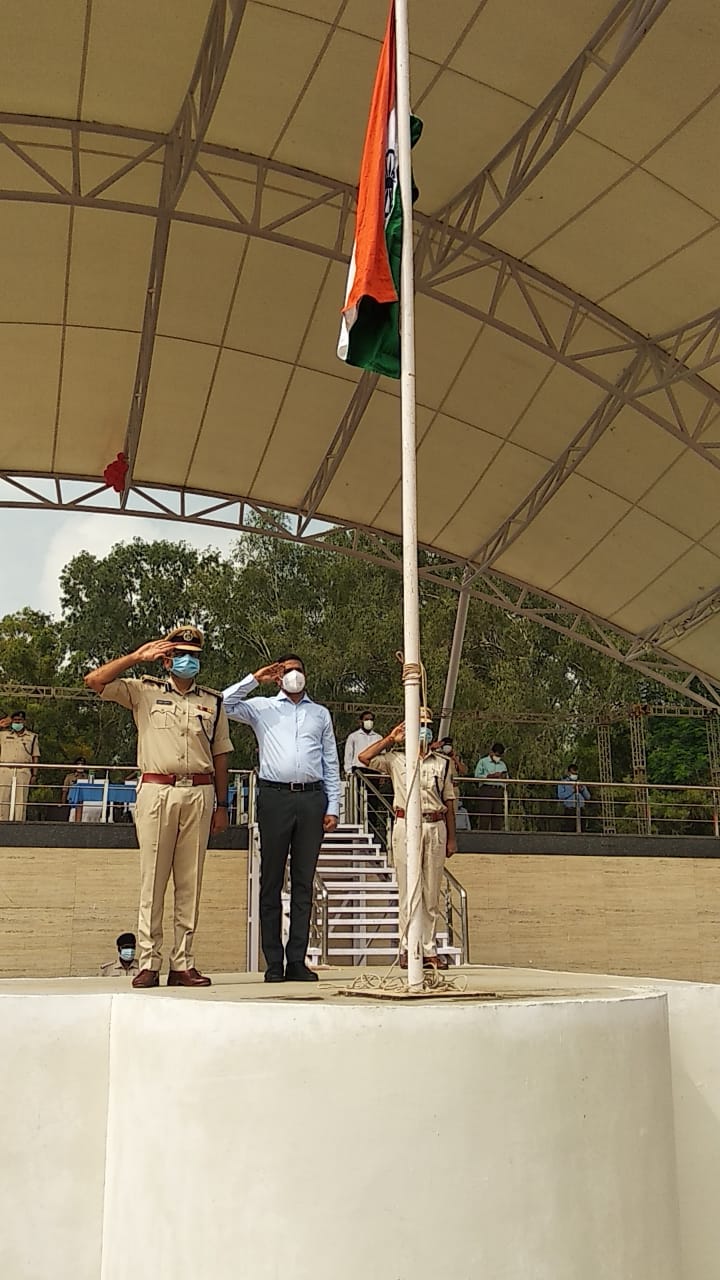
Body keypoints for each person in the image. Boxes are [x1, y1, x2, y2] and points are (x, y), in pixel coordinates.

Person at [84, 626, 233, 989]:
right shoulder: (143, 690)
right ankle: (148, 961)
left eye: (195, 656)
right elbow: (95, 680)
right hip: (156, 790)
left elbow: (221, 753)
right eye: (182, 654)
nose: (189, 661)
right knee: (152, 878)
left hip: (199, 792)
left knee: (190, 880)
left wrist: (222, 803)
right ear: (166, 658)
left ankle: (183, 962)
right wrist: (136, 657)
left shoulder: (212, 701)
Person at [223, 656, 340, 983]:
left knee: (304, 882)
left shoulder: (320, 713)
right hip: (275, 797)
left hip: (312, 797)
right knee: (271, 881)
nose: (293, 675)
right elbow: (223, 704)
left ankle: (297, 960)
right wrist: (254, 678)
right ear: (278, 677)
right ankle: (273, 961)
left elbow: (331, 761)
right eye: (287, 670)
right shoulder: (262, 707)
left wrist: (333, 807)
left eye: (298, 669)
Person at [358, 716, 457, 970]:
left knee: (431, 892)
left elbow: (449, 802)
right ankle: (406, 946)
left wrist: (452, 838)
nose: (423, 729)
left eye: (427, 724)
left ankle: (428, 947)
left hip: (434, 825)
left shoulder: (443, 764)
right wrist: (390, 739)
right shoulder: (396, 758)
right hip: (405, 823)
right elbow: (364, 758)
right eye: (419, 723)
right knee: (407, 889)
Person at [0, 711, 40, 821]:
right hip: (5, 770)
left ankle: (19, 824)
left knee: (20, 800)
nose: (17, 722)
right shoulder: (3, 735)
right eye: (15, 720)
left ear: (24, 721)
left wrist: (34, 774)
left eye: (20, 720)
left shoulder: (32, 737)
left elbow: (35, 756)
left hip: (23, 770)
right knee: (3, 799)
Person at [473, 742, 509, 831]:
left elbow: (507, 780)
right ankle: (483, 835)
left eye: (499, 755)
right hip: (486, 788)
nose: (498, 757)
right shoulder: (483, 762)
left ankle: (496, 836)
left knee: (497, 816)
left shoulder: (502, 764)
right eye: (496, 755)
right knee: (485, 814)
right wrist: (490, 776)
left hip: (498, 790)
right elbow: (477, 776)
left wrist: (503, 777)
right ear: (491, 753)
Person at [557, 765, 591, 832]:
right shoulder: (563, 782)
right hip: (570, 810)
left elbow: (588, 797)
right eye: (573, 773)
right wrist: (573, 790)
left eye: (576, 774)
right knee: (569, 829)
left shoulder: (580, 783)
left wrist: (582, 789)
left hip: (581, 809)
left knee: (582, 829)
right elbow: (561, 796)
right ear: (569, 773)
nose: (575, 775)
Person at [61, 756, 88, 822]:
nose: (80, 765)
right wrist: (63, 804)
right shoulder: (69, 777)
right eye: (79, 763)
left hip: (84, 802)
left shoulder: (87, 777)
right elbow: (65, 791)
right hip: (71, 801)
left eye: (82, 764)